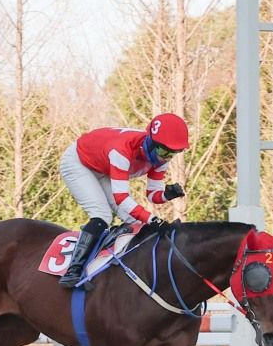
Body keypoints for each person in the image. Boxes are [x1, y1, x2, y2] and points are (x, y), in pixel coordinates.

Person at [56, 113, 189, 289]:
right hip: (79, 162)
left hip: (103, 167)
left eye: (173, 153)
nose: (166, 158)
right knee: (102, 216)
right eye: (164, 152)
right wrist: (153, 220)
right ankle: (73, 272)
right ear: (150, 142)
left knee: (135, 221)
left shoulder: (160, 159)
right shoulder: (123, 150)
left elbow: (152, 195)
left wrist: (166, 195)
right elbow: (121, 198)